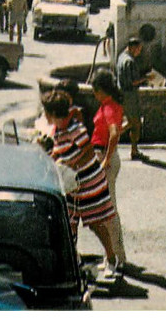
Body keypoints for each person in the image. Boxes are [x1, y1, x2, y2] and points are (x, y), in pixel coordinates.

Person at [41, 89, 120, 281]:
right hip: (72, 186)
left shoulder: (75, 129)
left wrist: (69, 165)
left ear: (52, 113)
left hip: (88, 182)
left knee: (95, 222)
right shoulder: (59, 130)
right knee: (70, 224)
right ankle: (72, 263)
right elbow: (61, 152)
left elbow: (88, 152)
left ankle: (111, 259)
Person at [90, 70, 127, 270]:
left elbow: (113, 134)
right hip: (106, 154)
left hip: (105, 155)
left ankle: (117, 256)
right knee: (107, 208)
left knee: (108, 210)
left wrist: (104, 160)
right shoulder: (110, 105)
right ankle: (116, 253)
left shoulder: (109, 107)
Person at [115, 37, 145, 160]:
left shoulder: (121, 57)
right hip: (130, 95)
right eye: (138, 49)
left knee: (132, 122)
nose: (139, 52)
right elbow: (132, 82)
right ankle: (133, 150)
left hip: (122, 93)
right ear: (133, 47)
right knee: (135, 123)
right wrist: (146, 78)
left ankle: (134, 149)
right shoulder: (130, 61)